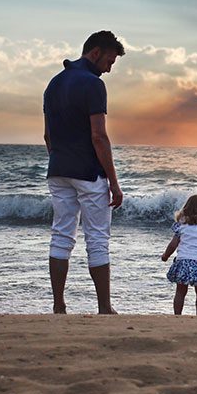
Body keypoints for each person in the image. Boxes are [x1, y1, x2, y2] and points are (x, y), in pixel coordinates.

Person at [44, 31, 125, 315]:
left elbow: (47, 136)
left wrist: (60, 161)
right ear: (95, 53)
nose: (109, 68)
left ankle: (59, 305)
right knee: (98, 238)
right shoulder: (93, 85)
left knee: (61, 236)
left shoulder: (53, 84)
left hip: (58, 170)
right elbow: (99, 136)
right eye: (109, 61)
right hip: (89, 173)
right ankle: (104, 307)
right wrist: (114, 183)